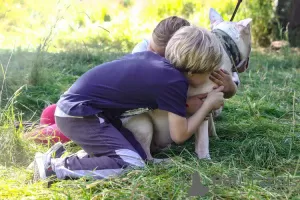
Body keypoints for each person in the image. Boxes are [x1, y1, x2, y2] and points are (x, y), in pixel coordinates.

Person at [32, 25, 224, 181]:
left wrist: (188, 103)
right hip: (80, 114)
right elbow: (179, 135)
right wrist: (208, 105)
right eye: (208, 73)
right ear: (191, 72)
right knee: (131, 165)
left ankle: (63, 158)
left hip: (87, 111)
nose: (210, 78)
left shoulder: (161, 67)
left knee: (138, 156)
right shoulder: (175, 82)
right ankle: (54, 168)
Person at [132, 16, 239, 116]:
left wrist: (230, 87)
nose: (150, 55)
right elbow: (141, 103)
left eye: (159, 56)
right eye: (151, 48)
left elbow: (217, 85)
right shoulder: (139, 55)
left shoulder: (191, 59)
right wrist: (185, 106)